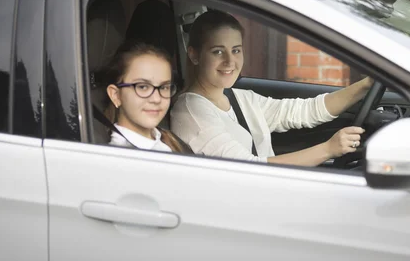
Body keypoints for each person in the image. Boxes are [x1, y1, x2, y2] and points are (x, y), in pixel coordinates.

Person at [170, 10, 373, 166]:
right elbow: (246, 170)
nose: (230, 61)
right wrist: (328, 149)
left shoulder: (240, 99)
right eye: (218, 52)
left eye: (236, 50)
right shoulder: (191, 111)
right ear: (194, 55)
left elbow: (305, 111)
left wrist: (365, 85)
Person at [103, 42, 192, 154]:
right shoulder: (122, 158)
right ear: (115, 95)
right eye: (143, 87)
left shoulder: (165, 138)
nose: (156, 99)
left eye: (164, 87)